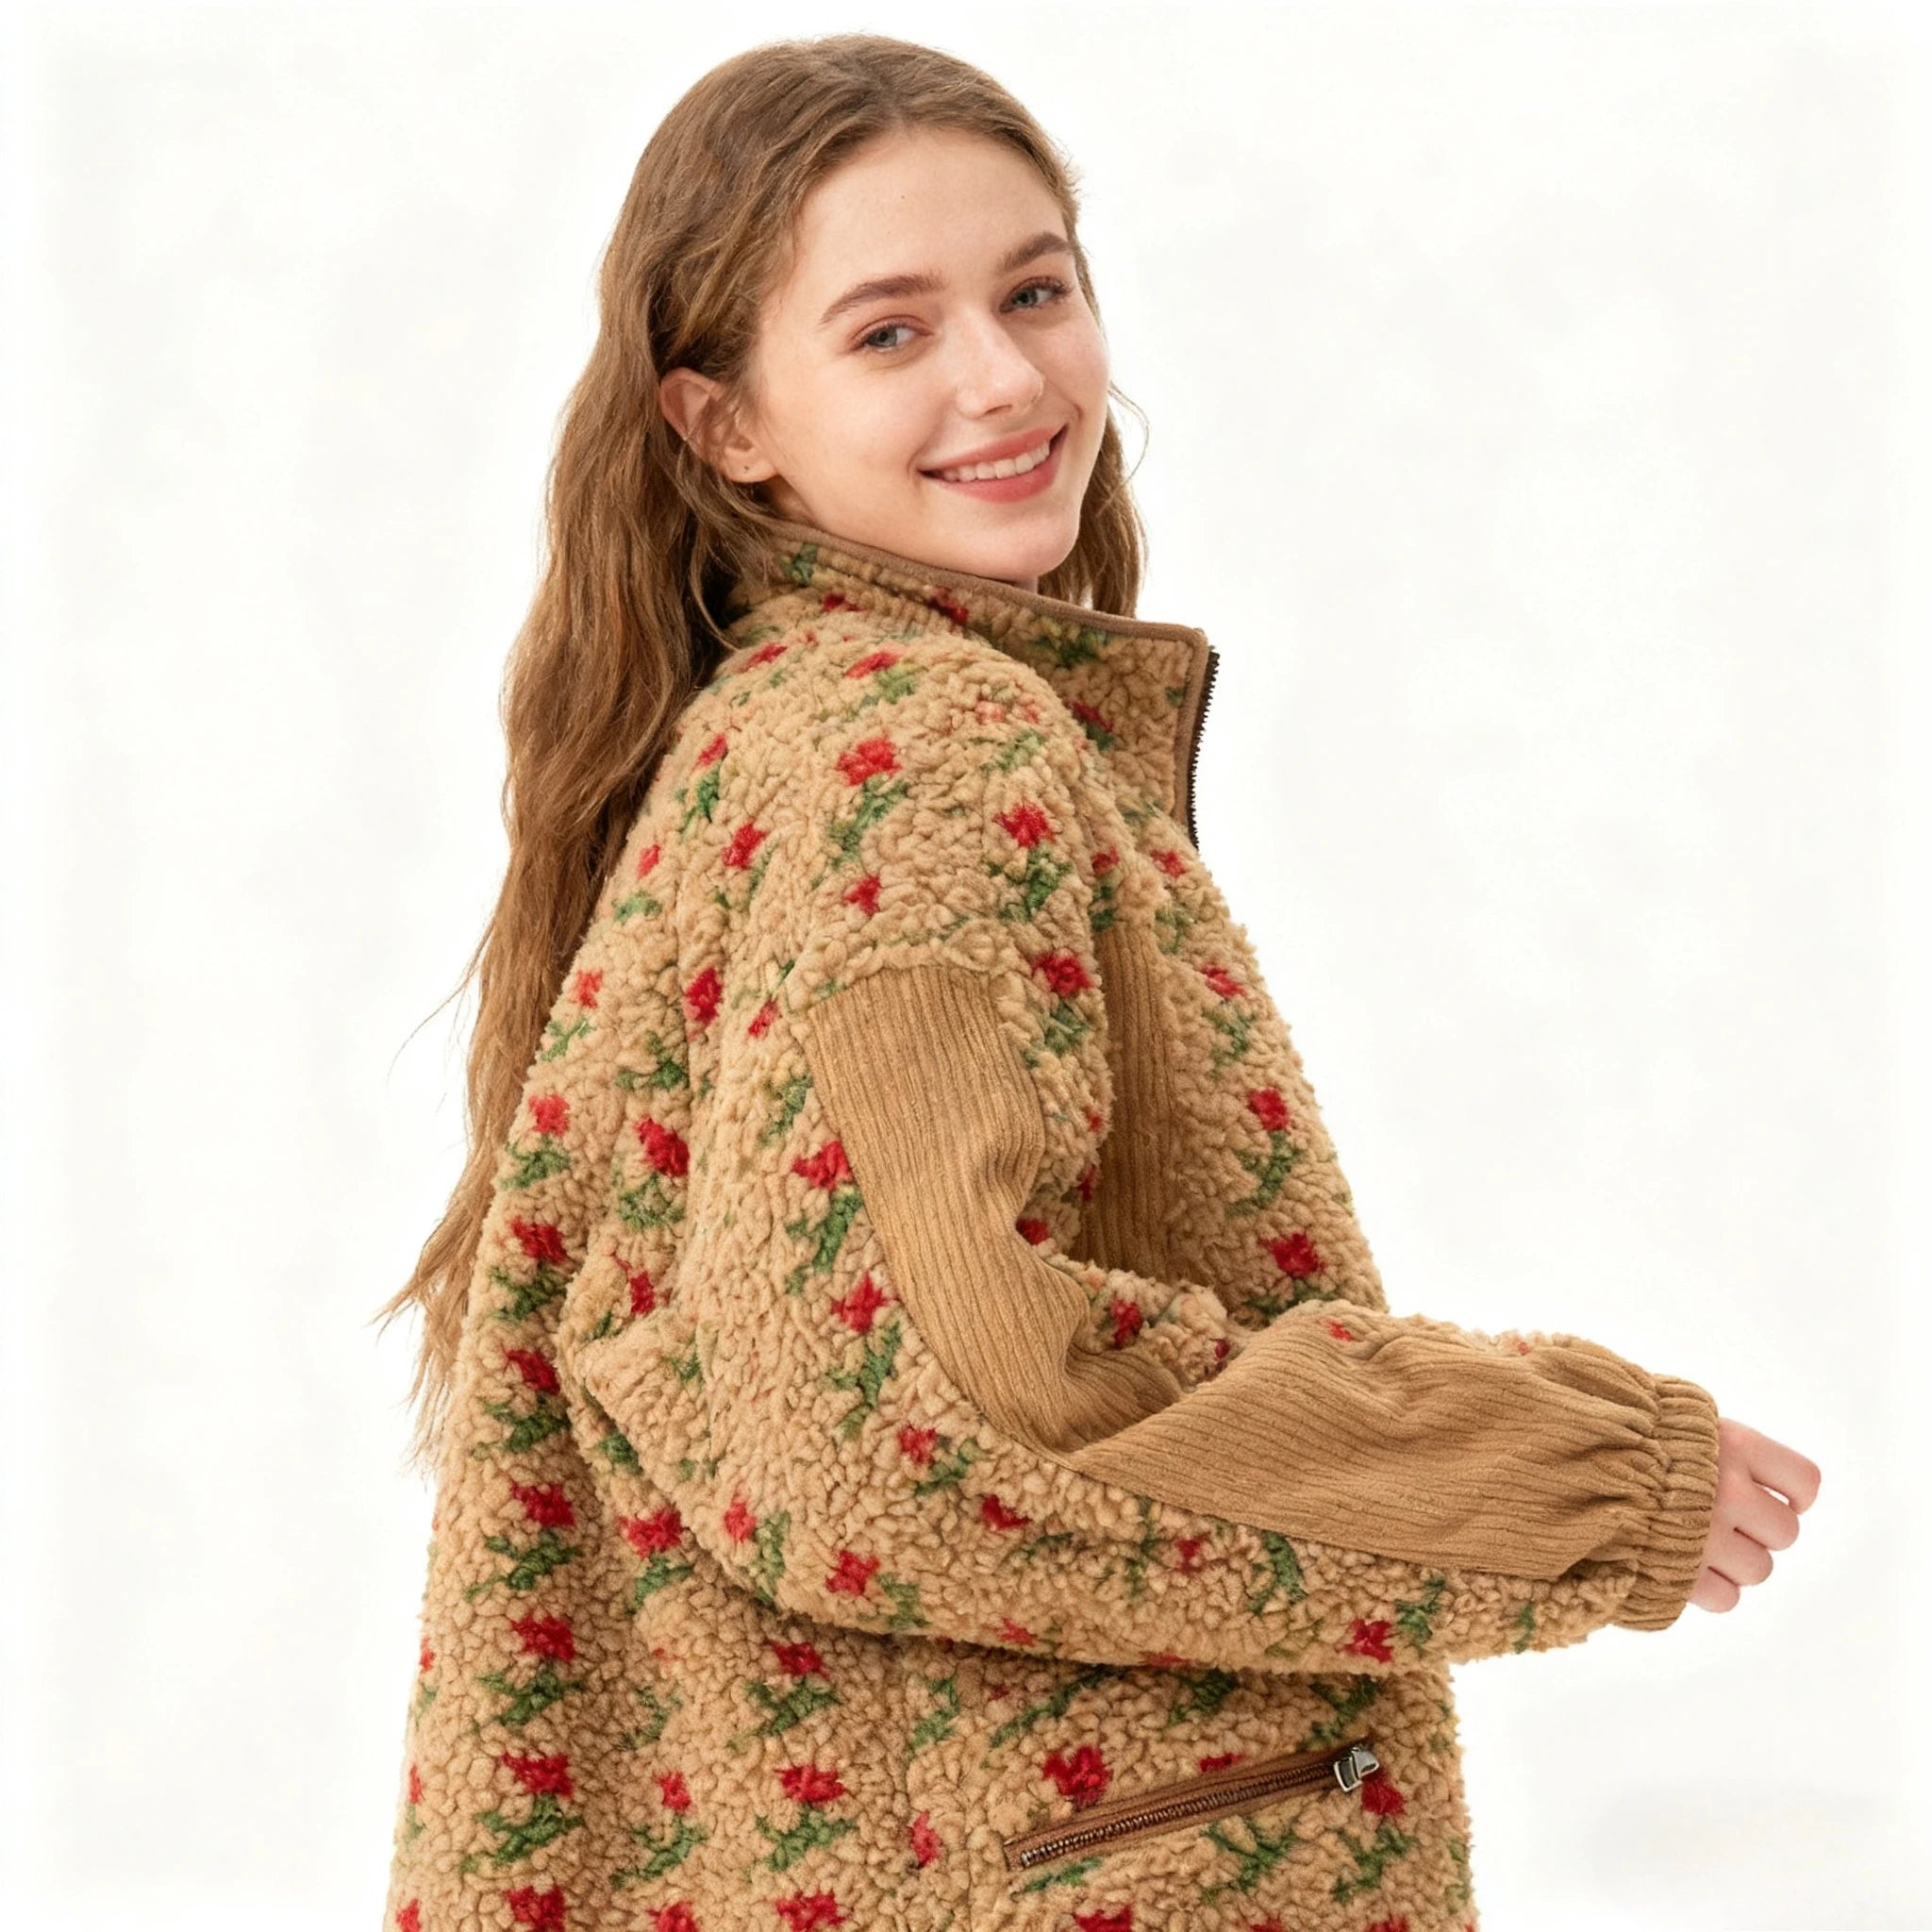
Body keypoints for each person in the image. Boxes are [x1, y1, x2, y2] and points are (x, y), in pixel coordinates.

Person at [374, 32, 1819, 1932]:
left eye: (1036, 291)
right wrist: (1572, 1478)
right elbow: (916, 1416)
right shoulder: (917, 749)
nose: (1004, 376)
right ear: (724, 424)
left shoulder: (765, 733)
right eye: (891, 331)